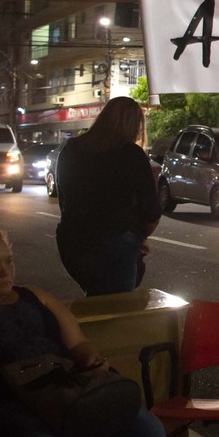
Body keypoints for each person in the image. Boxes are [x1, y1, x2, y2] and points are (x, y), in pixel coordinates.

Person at [0, 226, 166, 437]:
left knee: (146, 429)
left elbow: (78, 342)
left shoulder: (34, 295)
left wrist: (91, 359)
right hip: (13, 401)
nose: (6, 273)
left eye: (9, 261)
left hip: (65, 389)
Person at [55, 97, 161, 297]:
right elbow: (151, 211)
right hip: (114, 241)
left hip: (72, 241)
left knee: (97, 298)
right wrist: (139, 236)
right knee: (115, 304)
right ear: (134, 124)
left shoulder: (72, 149)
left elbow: (64, 199)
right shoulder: (131, 154)